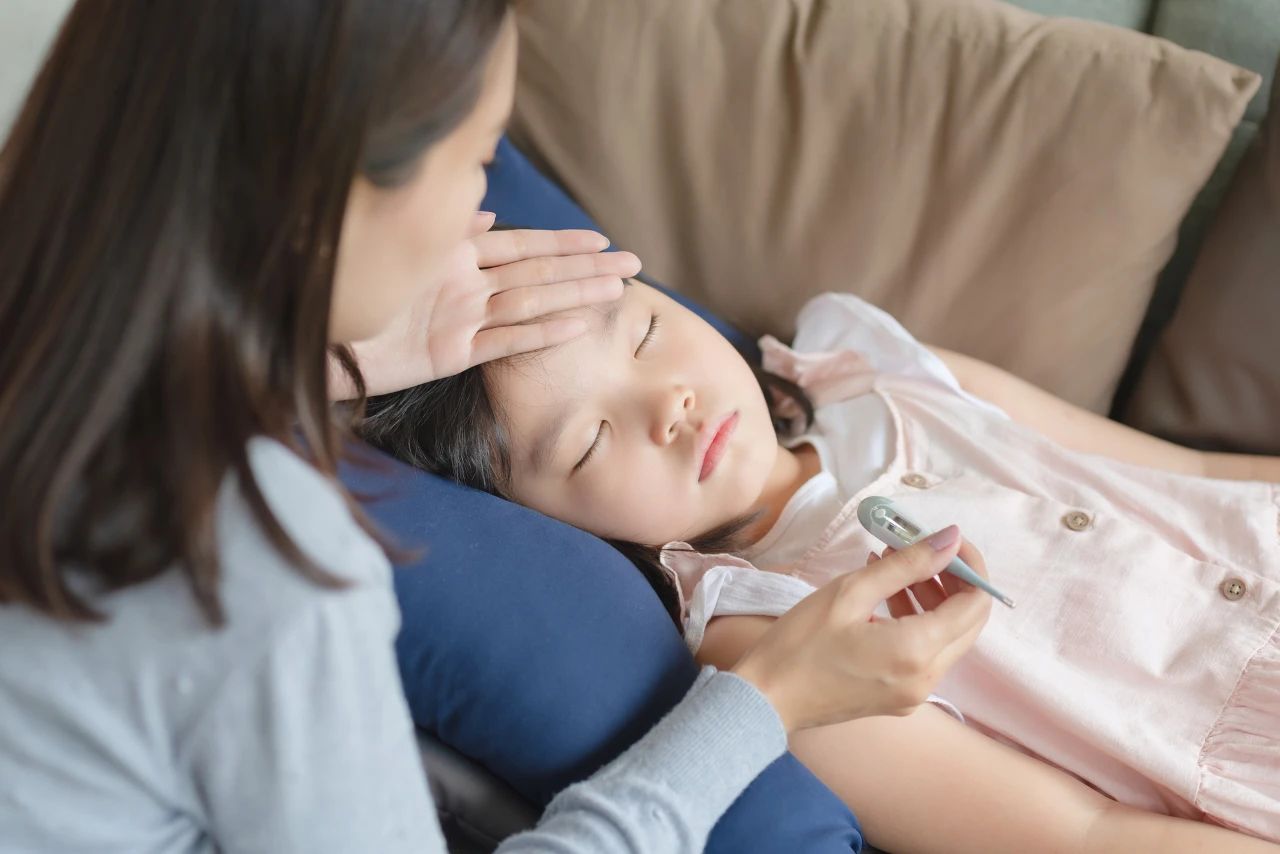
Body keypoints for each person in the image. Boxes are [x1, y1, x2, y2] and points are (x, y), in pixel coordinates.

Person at [0, 2, 992, 851]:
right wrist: (766, 702)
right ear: (332, 204)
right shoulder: (261, 562)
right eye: (479, 157)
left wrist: (330, 350)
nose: (488, 194)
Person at [360, 278, 1280, 852]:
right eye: (591, 442)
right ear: (551, 526)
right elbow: (1081, 836)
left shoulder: (881, 375)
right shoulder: (772, 635)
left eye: (643, 335)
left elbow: (1193, 476)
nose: (669, 403)